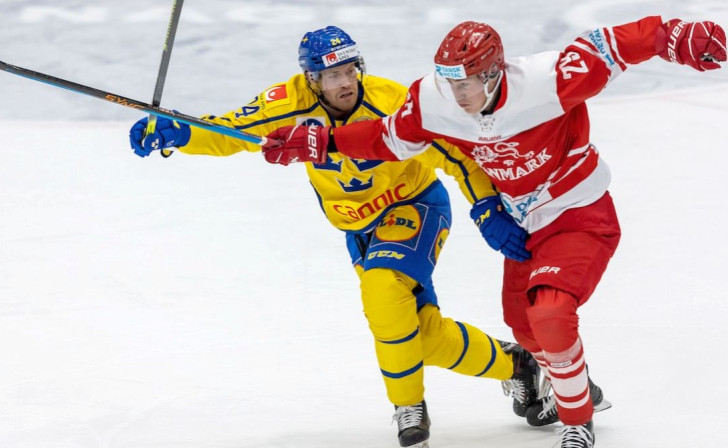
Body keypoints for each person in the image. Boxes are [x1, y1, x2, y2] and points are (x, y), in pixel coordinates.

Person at [259, 16, 726, 448]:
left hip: (577, 213)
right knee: (522, 324)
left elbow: (615, 45)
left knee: (549, 313)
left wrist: (674, 37)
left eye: (465, 83)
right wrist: (325, 140)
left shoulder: (547, 80)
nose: (456, 95)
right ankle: (575, 386)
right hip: (524, 224)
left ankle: (577, 419)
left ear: (493, 74)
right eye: (449, 81)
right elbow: (387, 138)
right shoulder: (434, 99)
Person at [129, 25, 541, 448]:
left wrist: (486, 206)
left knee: (383, 291)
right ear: (312, 80)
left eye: (350, 71)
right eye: (332, 76)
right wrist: (178, 133)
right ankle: (518, 366)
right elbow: (230, 130)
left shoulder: (392, 102)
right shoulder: (288, 103)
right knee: (420, 335)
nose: (345, 83)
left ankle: (408, 407)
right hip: (360, 230)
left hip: (414, 207)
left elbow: (456, 153)